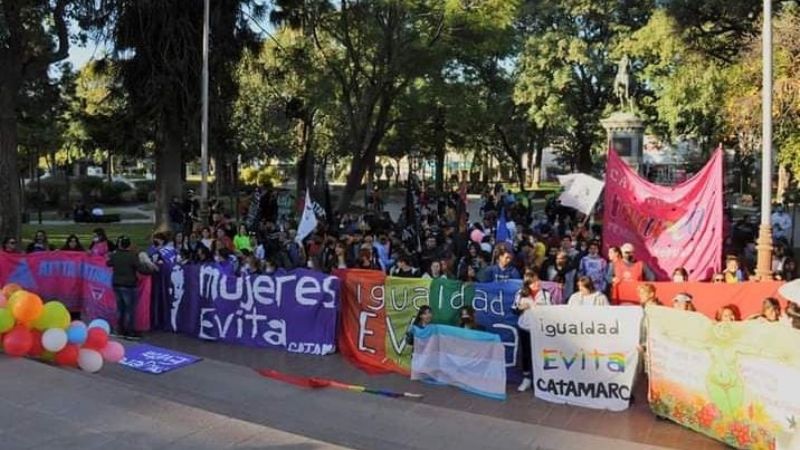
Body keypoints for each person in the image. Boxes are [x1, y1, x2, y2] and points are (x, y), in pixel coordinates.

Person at [513, 270, 551, 392]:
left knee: (540, 353)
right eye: (533, 283)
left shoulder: (546, 294)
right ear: (528, 284)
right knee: (526, 353)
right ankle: (526, 378)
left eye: (537, 281)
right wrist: (521, 308)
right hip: (525, 328)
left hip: (540, 329)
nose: (537, 284)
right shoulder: (521, 293)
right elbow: (514, 309)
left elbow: (553, 311)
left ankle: (540, 378)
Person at [107, 236, 147, 339]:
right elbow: (141, 269)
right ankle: (129, 331)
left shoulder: (115, 255)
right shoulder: (132, 256)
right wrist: (152, 269)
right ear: (129, 245)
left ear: (120, 244)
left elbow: (108, 263)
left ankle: (120, 329)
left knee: (120, 309)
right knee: (129, 309)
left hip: (116, 284)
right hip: (129, 285)